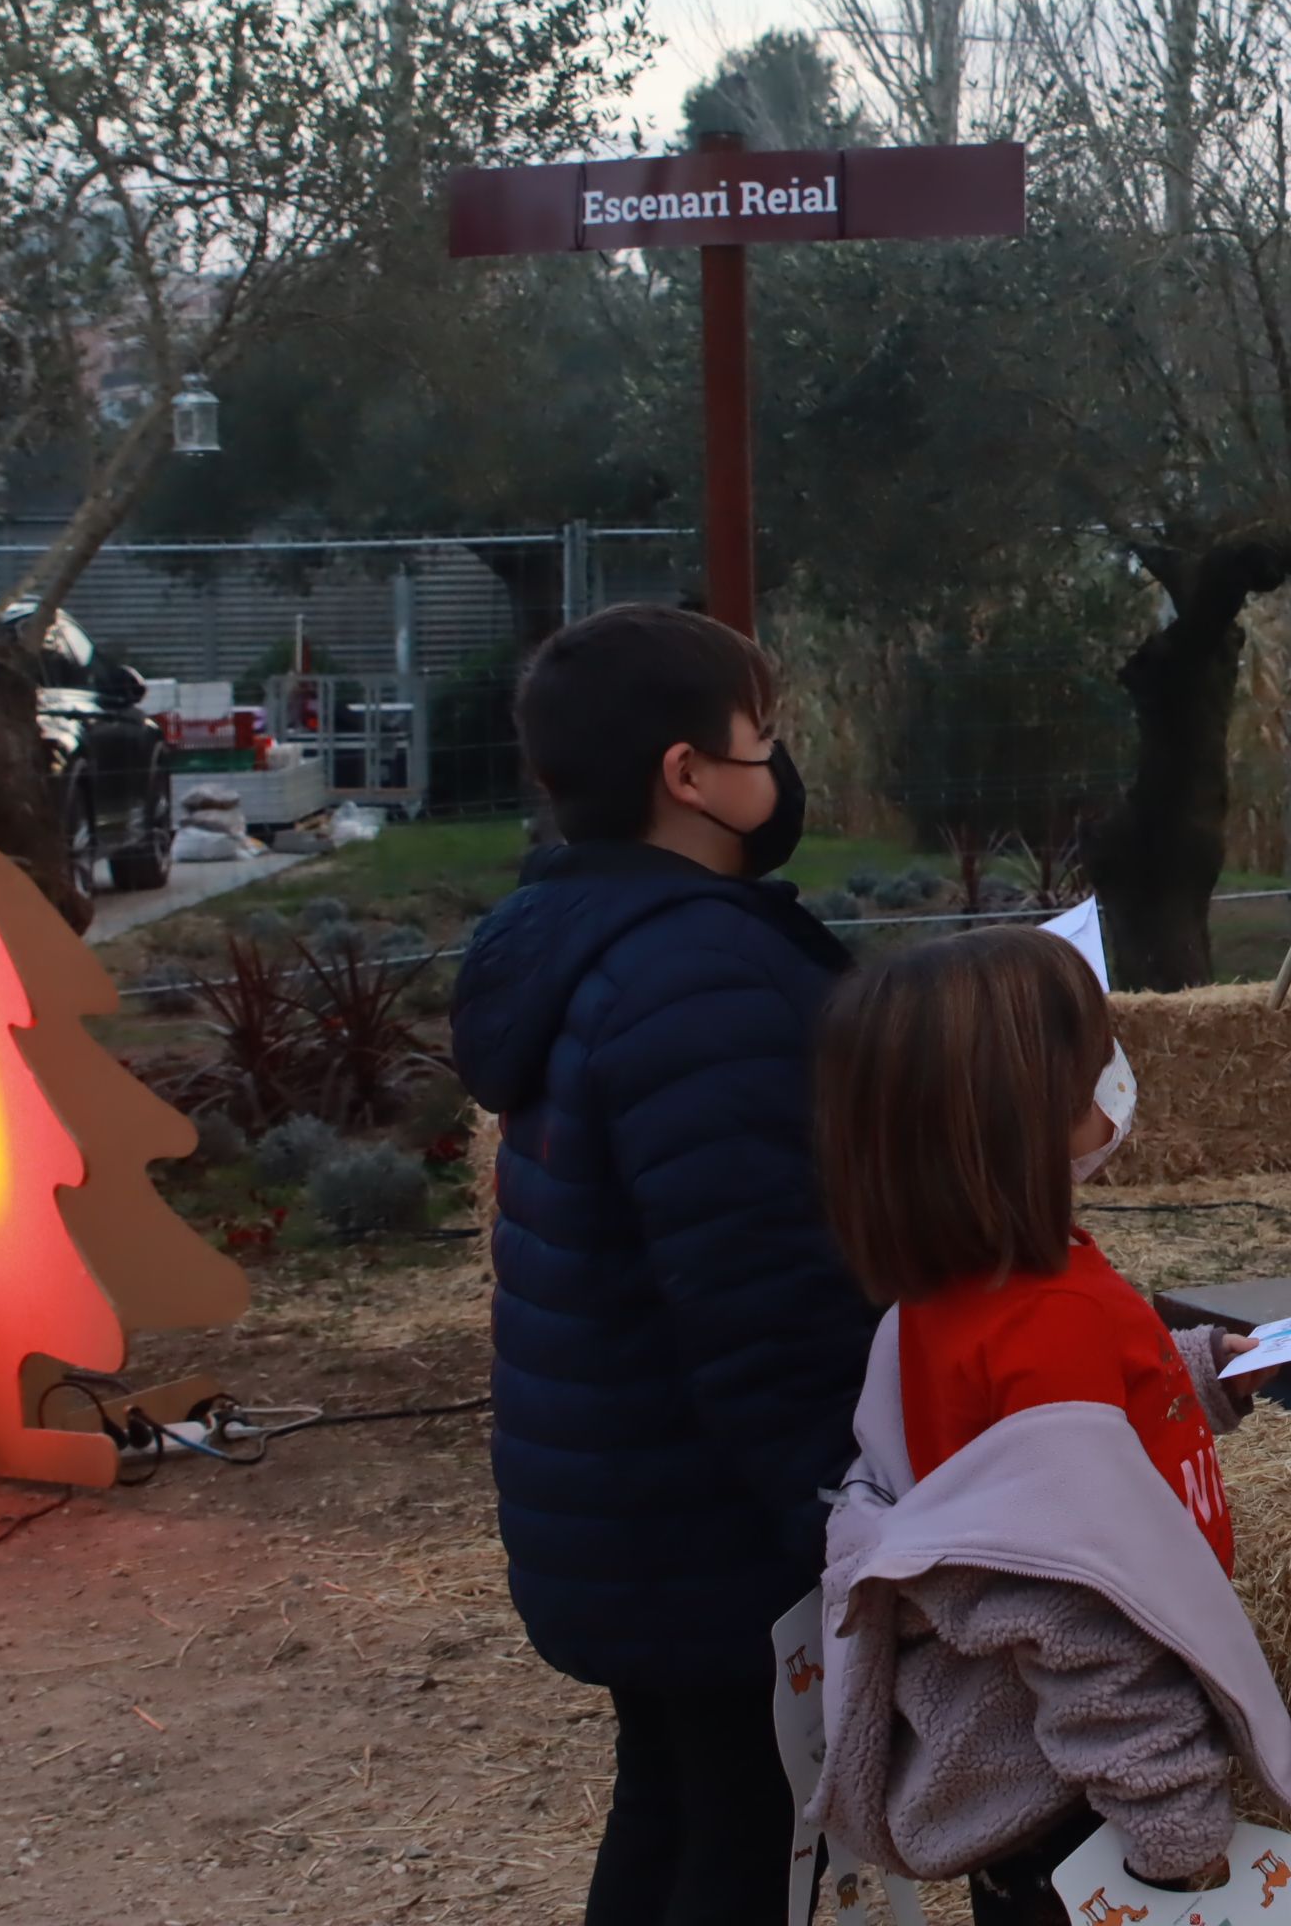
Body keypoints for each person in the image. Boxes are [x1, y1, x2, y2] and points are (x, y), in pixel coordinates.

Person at [450, 604, 874, 1923]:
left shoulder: (587, 947)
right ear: (688, 776)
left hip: (629, 1507)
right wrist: (839, 1508)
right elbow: (758, 1293)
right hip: (711, 1521)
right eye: (763, 740)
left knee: (676, 1803)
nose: (779, 769)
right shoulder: (703, 977)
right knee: (744, 1838)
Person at [806, 929, 1291, 1921]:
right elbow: (1071, 1614)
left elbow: (1060, 1450)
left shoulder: (956, 1302)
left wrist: (1202, 1375)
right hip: (1086, 1807)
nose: (1116, 1074)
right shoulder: (1048, 1324)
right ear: (1018, 1115)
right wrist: (1170, 1826)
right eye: (1094, 1057)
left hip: (1045, 1791)